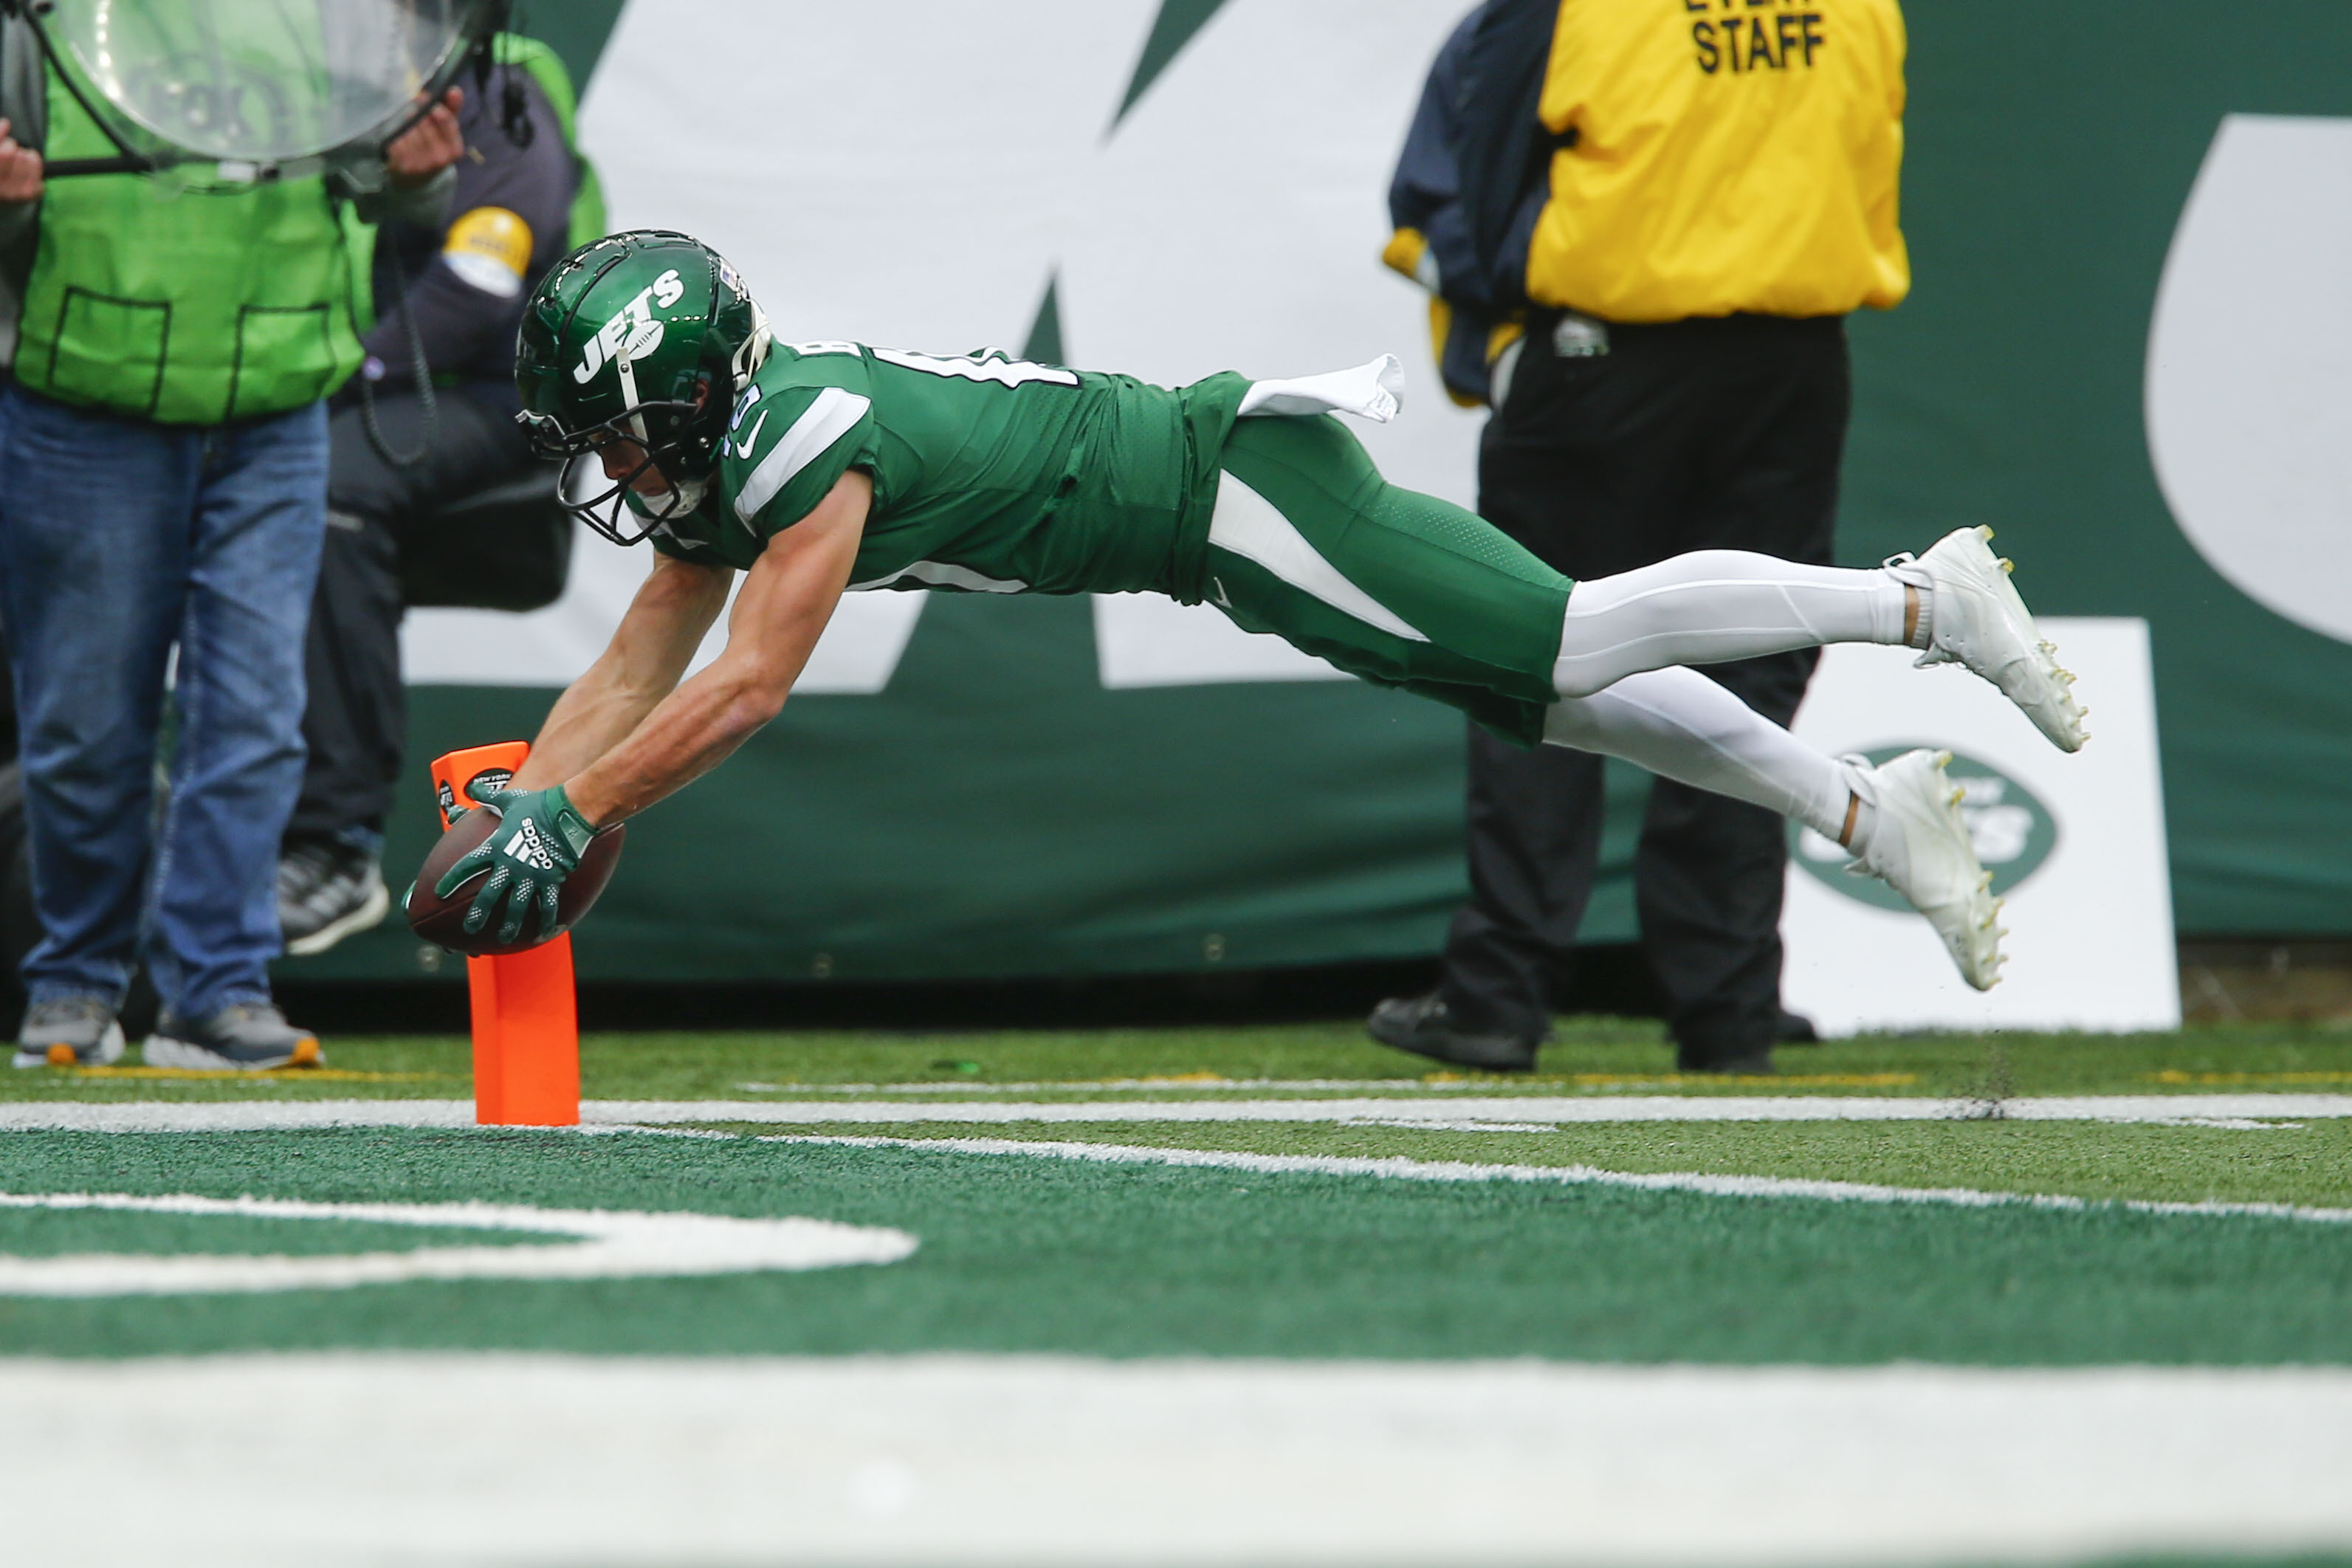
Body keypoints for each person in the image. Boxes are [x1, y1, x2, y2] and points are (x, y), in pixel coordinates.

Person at [426, 233, 2085, 990]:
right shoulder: (724, 464)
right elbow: (642, 655)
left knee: (1571, 636)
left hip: (1227, 491)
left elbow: (741, 692)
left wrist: (571, 815)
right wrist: (529, 796)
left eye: (626, 425)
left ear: (698, 389)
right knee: (1556, 700)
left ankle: (1919, 596)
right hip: (1213, 534)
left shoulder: (797, 440)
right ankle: (1878, 816)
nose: (620, 462)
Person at [1370, 0, 1917, 1075]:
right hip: (1791, 358)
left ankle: (1498, 997)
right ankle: (1726, 1009)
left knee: (1531, 658)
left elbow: (1461, 188)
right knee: (1750, 670)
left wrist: (1503, 339)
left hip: (1602, 354)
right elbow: (1871, 153)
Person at [0, 21, 466, 1070]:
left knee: (257, 715)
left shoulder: (344, 20)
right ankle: (76, 979)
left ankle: (216, 987)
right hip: (81, 403)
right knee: (82, 724)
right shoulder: (35, 31)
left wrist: (418, 182)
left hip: (279, 402)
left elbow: (389, 192)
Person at [278, 35, 602, 957]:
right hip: (300, 383)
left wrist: (328, 374)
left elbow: (479, 285)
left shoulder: (497, 87)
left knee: (325, 486)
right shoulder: (263, 83)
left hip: (489, 392)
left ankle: (333, 846)